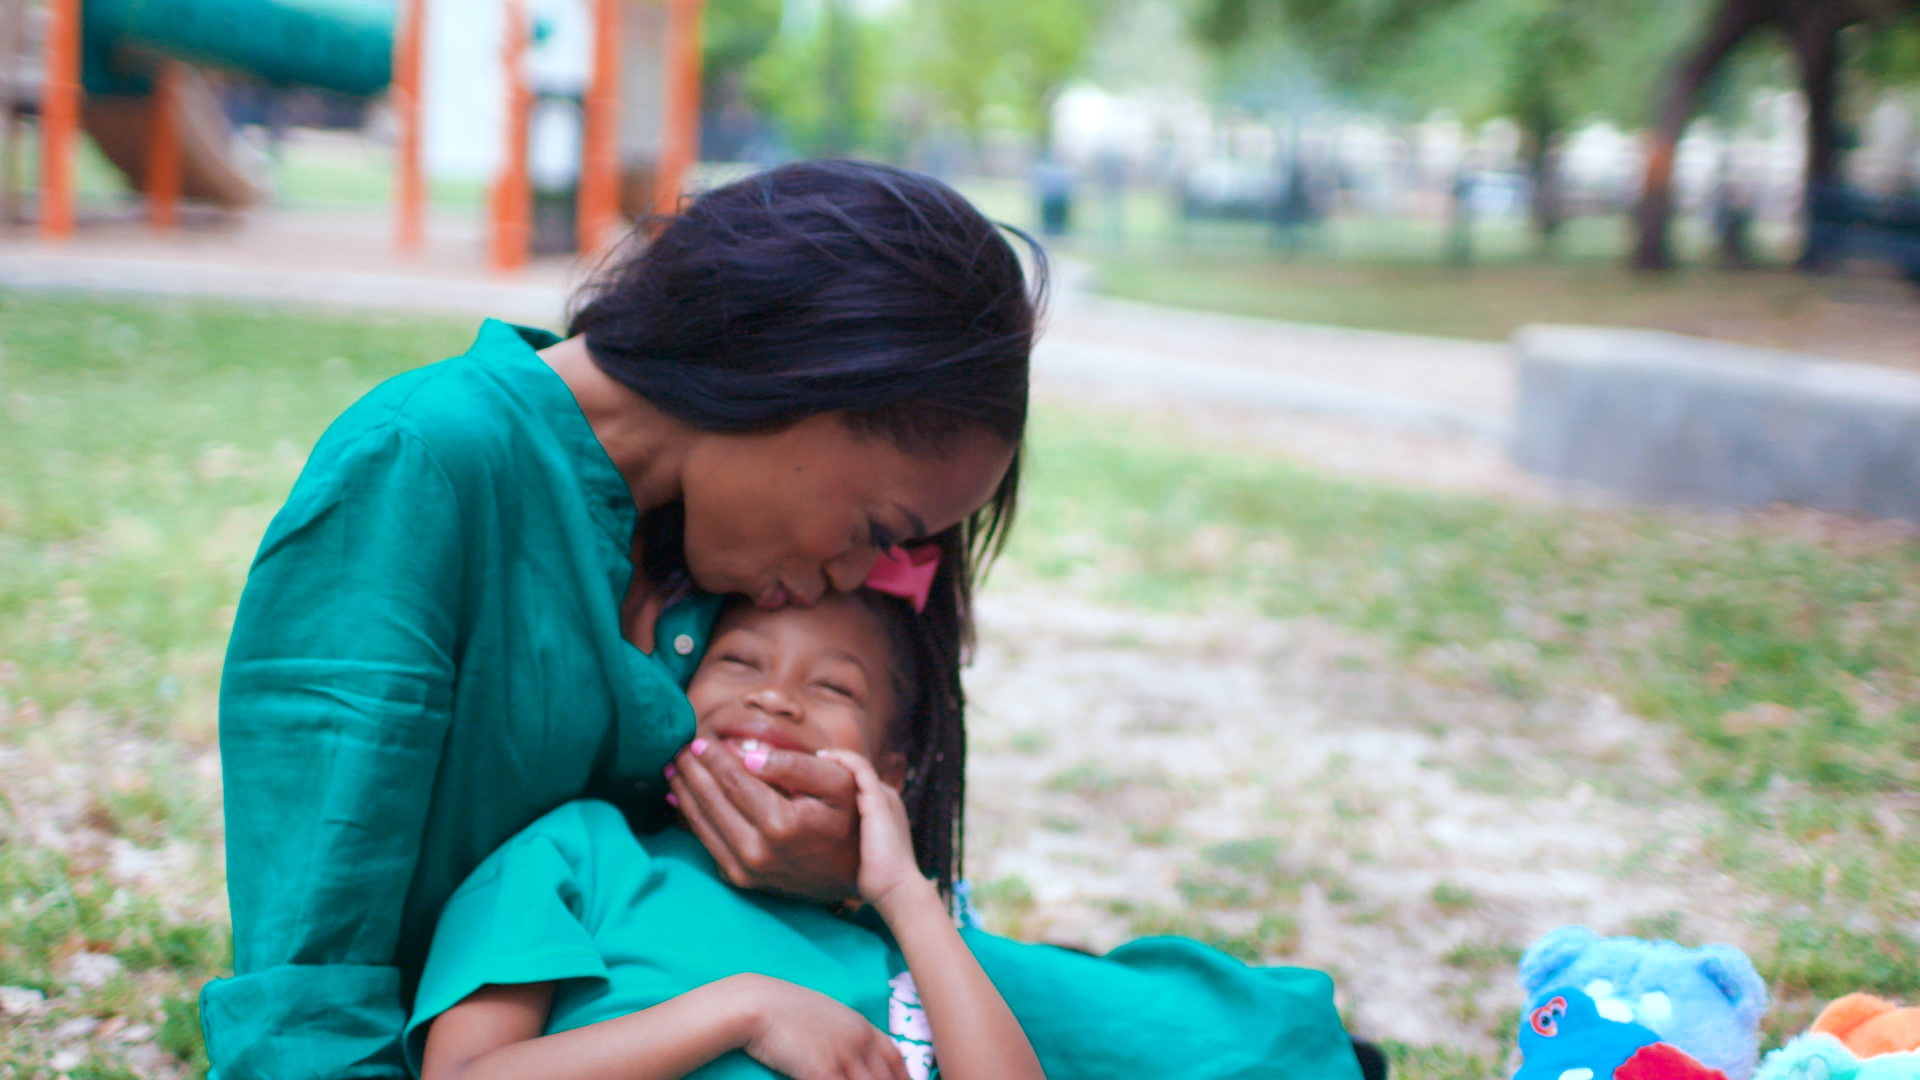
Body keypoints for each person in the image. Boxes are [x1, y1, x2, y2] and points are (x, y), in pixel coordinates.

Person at [201, 161, 1037, 1079]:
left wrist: (830, 864)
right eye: (876, 532)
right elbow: (307, 973)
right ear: (804, 384)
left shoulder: (706, 534)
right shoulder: (422, 467)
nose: (852, 576)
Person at [405, 553, 1370, 1080]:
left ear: (889, 767)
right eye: (739, 663)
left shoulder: (886, 941)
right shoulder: (575, 853)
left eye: (831, 687)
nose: (777, 700)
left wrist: (906, 897)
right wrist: (740, 1010)